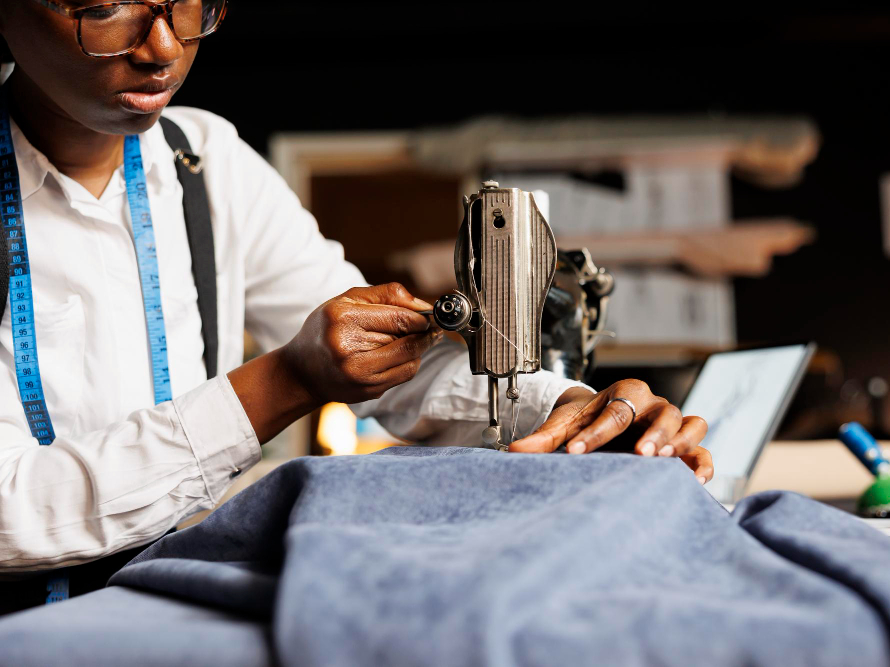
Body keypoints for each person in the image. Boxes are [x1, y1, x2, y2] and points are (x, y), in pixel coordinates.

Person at [0, 0, 712, 609]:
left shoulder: (205, 158)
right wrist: (286, 382)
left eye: (189, 4)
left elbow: (395, 362)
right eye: (105, 9)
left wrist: (565, 409)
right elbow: (11, 512)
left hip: (178, 609)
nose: (162, 47)